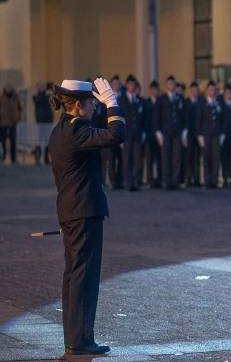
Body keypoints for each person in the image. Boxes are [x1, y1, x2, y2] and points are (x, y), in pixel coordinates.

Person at [49, 78, 124, 355]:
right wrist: (113, 104)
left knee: (74, 276)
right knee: (84, 277)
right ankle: (80, 340)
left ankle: (75, 337)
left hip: (71, 211)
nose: (95, 105)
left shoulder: (60, 130)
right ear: (78, 105)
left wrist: (105, 106)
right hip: (83, 211)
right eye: (91, 102)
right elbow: (116, 135)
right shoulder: (77, 130)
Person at [153, 76, 185, 190]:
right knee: (166, 157)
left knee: (177, 156)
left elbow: (183, 115)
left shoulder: (179, 98)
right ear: (166, 85)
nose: (171, 86)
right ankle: (166, 181)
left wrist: (184, 130)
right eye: (170, 84)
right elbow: (156, 116)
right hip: (165, 132)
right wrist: (158, 132)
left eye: (173, 84)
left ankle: (175, 181)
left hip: (177, 132)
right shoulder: (161, 99)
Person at [118, 75, 145, 191]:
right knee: (127, 159)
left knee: (137, 159)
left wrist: (143, 132)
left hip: (137, 134)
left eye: (133, 85)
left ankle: (136, 182)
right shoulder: (121, 100)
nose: (132, 87)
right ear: (127, 85)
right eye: (130, 84)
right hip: (126, 134)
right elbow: (119, 118)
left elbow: (143, 118)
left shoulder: (138, 99)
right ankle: (129, 183)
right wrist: (119, 135)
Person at [197, 82, 223, 188]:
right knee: (206, 157)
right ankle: (207, 180)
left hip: (216, 134)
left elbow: (223, 119)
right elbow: (199, 120)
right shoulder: (202, 104)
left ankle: (214, 179)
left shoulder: (219, 103)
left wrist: (222, 133)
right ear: (207, 91)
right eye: (210, 90)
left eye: (214, 90)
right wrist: (199, 135)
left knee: (216, 158)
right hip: (206, 134)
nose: (212, 92)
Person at [143, 80, 161, 188]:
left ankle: (159, 179)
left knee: (160, 158)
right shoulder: (146, 102)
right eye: (153, 89)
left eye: (156, 89)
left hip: (159, 135)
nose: (155, 91)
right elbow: (144, 118)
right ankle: (150, 180)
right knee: (149, 158)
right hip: (149, 134)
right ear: (150, 90)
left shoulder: (161, 101)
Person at [183, 81, 201, 187]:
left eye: (196, 90)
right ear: (190, 91)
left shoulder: (201, 102)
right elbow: (183, 118)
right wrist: (184, 132)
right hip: (188, 133)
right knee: (188, 157)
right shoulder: (186, 102)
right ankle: (188, 178)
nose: (194, 92)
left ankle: (197, 178)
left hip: (198, 133)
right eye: (193, 90)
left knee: (197, 157)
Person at [33, 82, 54, 165]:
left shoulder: (48, 96)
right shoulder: (35, 97)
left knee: (47, 140)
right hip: (40, 122)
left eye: (43, 86)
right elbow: (40, 100)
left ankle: (46, 158)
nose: (42, 88)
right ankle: (38, 157)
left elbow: (51, 103)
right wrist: (45, 93)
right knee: (39, 140)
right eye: (40, 86)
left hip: (48, 121)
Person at [0, 83, 22, 164]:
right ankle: (3, 157)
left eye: (10, 87)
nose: (8, 89)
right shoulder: (1, 97)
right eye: (7, 87)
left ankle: (13, 158)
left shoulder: (16, 97)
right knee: (2, 141)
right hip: (3, 123)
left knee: (13, 141)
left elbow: (20, 108)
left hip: (13, 122)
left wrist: (18, 118)